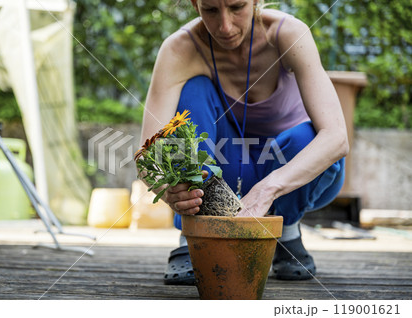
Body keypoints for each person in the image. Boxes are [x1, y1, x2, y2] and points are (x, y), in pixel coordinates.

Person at [138, 0, 348, 284]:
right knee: (194, 89)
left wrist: (268, 190)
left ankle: (286, 230)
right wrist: (170, 191)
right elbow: (148, 152)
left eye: (236, 7)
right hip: (224, 170)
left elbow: (336, 138)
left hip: (292, 175)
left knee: (305, 136)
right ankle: (195, 233)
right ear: (194, 4)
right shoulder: (180, 48)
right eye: (210, 10)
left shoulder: (287, 33)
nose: (225, 26)